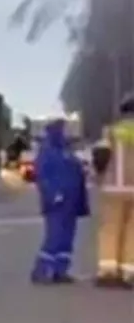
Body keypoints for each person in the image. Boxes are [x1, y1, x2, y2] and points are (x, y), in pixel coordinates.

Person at [31, 119, 90, 284]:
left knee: (66, 238)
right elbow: (43, 176)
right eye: (65, 130)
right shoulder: (48, 151)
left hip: (71, 201)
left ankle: (60, 270)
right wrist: (53, 194)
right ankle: (41, 271)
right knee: (55, 236)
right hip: (57, 201)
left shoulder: (67, 151)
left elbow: (76, 172)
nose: (68, 133)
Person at [94, 92, 134, 289]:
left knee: (110, 228)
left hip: (112, 189)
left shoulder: (110, 132)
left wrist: (100, 176)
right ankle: (128, 271)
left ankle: (108, 271)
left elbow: (100, 157)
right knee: (132, 230)